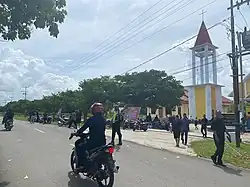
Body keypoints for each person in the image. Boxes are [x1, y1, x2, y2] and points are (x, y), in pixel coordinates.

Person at [74, 103, 106, 171]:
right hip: (103, 142)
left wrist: (77, 133)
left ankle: (82, 166)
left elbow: (83, 128)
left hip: (93, 142)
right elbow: (97, 130)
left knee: (79, 146)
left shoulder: (92, 119)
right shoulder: (103, 119)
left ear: (93, 110)